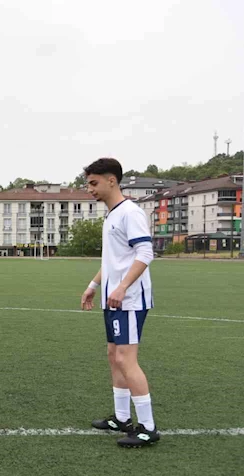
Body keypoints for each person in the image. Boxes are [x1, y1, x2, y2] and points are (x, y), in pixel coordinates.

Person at [80, 158, 159, 447]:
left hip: (129, 300)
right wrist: (93, 286)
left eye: (93, 183)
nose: (90, 189)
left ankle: (148, 428)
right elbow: (113, 261)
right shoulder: (111, 215)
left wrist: (123, 287)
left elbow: (145, 254)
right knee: (114, 356)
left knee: (126, 359)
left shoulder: (130, 213)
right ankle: (122, 418)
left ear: (111, 180)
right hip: (112, 299)